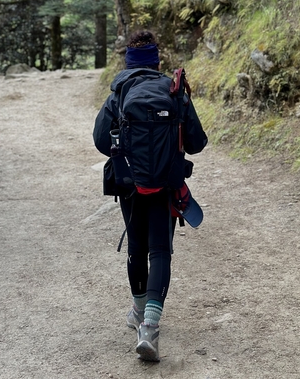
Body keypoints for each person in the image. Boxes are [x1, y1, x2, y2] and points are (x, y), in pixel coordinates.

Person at [93, 30, 207, 362]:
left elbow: (101, 140)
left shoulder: (119, 91)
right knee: (160, 250)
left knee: (137, 248)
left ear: (128, 61)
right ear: (156, 60)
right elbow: (197, 143)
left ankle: (138, 312)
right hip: (166, 183)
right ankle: (150, 327)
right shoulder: (173, 91)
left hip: (128, 181)